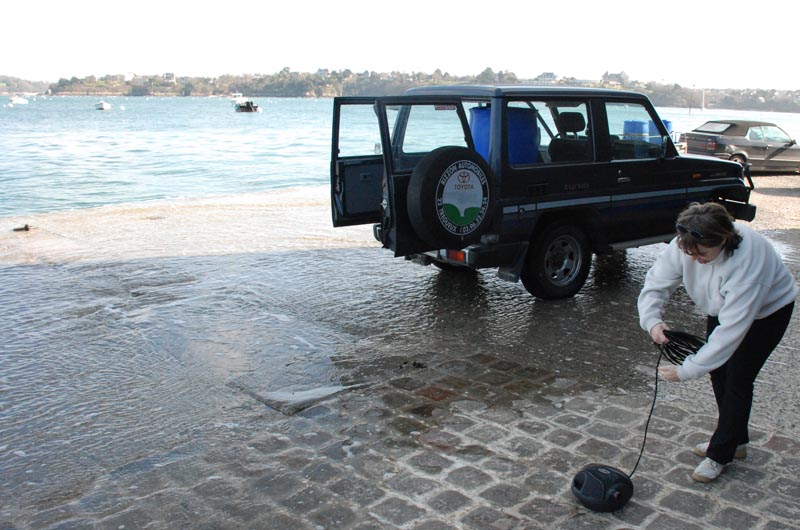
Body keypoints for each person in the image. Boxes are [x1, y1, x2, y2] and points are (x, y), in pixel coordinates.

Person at [638, 202, 797, 483]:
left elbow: (731, 333)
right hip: (722, 306)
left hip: (767, 312)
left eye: (702, 253)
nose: (694, 258)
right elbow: (656, 283)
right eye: (689, 252)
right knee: (719, 372)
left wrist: (686, 370)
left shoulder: (749, 261)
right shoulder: (686, 244)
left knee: (737, 378)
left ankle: (721, 453)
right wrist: (652, 321)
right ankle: (736, 440)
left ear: (723, 239)